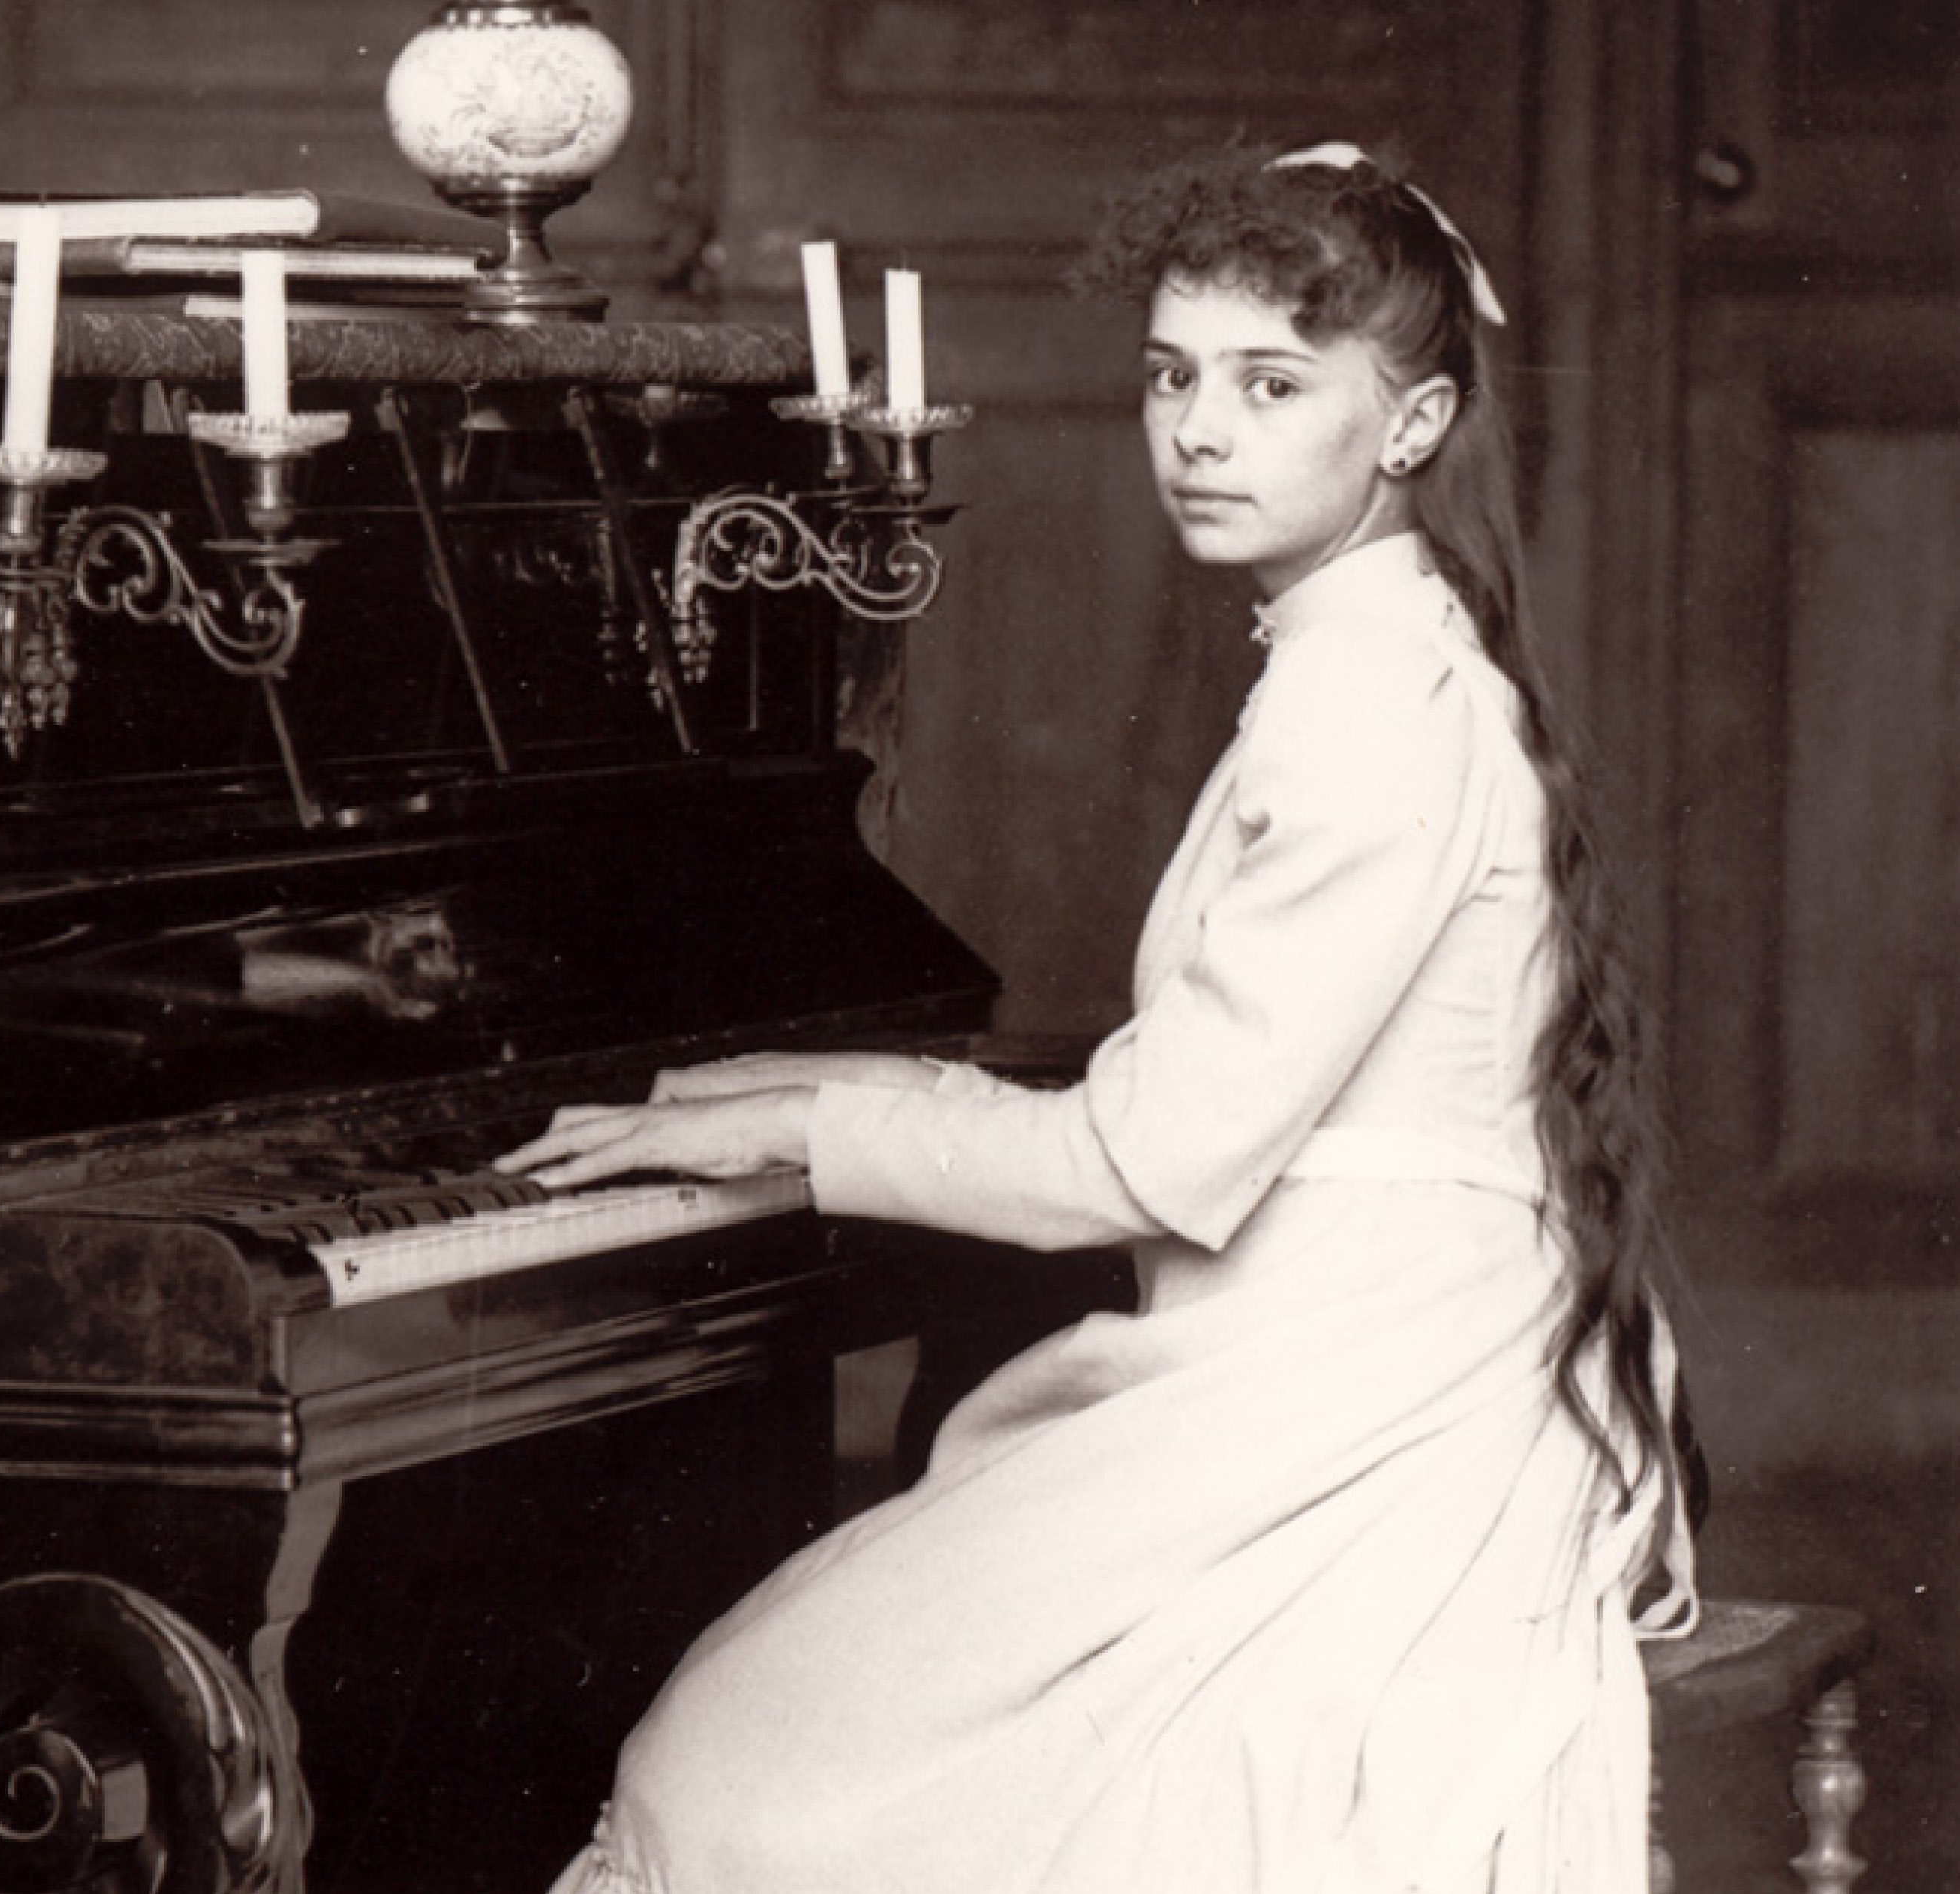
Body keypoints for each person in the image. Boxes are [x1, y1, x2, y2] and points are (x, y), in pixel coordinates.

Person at [495, 140, 1699, 1894]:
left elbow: (1150, 1155)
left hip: (1362, 1393)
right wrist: (816, 1076)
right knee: (792, 1716)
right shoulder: (1374, 645)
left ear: (1414, 422)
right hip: (1346, 1336)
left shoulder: (1363, 699)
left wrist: (800, 1124)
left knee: (739, 1759)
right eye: (1167, 375)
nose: (1196, 431)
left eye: (1269, 385)